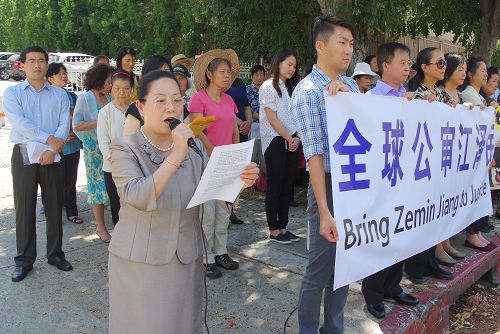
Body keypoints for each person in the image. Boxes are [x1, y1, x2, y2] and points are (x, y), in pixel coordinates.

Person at [107, 70, 260, 333]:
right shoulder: (125, 147)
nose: (171, 107)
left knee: (182, 325)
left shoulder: (193, 152)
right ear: (141, 107)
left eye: (177, 100)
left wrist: (239, 182)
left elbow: (210, 196)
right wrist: (177, 154)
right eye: (161, 100)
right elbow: (136, 196)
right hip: (141, 261)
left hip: (185, 259)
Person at [290, 15, 360, 333]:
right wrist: (323, 210)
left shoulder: (353, 86)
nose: (348, 50)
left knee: (344, 267)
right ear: (321, 45)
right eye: (341, 43)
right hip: (328, 188)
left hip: (353, 184)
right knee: (318, 272)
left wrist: (347, 98)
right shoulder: (308, 92)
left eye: (351, 44)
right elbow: (314, 155)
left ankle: (333, 328)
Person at [3, 46, 72, 282]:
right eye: (31, 61)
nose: (37, 65)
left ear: (46, 63)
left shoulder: (60, 94)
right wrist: (48, 140)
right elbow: (19, 123)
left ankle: (55, 254)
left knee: (54, 205)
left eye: (41, 61)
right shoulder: (13, 93)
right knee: (24, 208)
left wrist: (53, 148)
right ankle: (24, 260)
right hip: (24, 154)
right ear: (22, 65)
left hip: (52, 156)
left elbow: (64, 124)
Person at [361, 42, 419, 319]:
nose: (408, 67)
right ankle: (372, 293)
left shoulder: (408, 96)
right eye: (403, 62)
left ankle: (393, 285)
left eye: (409, 63)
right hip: (382, 180)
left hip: (405, 179)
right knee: (381, 235)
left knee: (401, 233)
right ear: (385, 66)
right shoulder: (371, 98)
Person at [188, 49, 241, 279]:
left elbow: (234, 129)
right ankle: (206, 256)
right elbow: (196, 129)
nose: (227, 76)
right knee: (207, 211)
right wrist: (213, 151)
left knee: (224, 208)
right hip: (207, 157)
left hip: (228, 157)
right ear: (209, 74)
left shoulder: (229, 100)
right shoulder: (198, 98)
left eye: (229, 72)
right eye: (222, 71)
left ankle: (221, 251)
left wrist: (237, 152)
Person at [405, 47, 454, 283]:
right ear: (424, 67)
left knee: (435, 215)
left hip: (440, 164)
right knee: (422, 215)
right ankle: (416, 267)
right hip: (422, 164)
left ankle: (430, 262)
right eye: (440, 63)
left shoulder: (442, 94)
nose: (443, 67)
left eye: (444, 63)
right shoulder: (415, 93)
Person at [259, 49, 301, 244]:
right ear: (278, 63)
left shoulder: (288, 87)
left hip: (291, 139)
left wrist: (297, 137)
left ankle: (283, 227)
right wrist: (288, 137)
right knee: (275, 185)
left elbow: (294, 117)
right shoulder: (269, 86)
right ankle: (274, 229)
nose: (292, 68)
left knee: (287, 185)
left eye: (294, 66)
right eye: (289, 64)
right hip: (275, 140)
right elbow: (272, 118)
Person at [433, 53, 469, 266]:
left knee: (449, 199)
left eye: (465, 70)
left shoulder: (461, 96)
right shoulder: (438, 94)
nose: (464, 73)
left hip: (454, 155)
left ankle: (445, 240)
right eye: (460, 69)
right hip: (440, 154)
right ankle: (437, 245)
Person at [460, 57, 497, 250]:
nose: (485, 74)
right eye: (482, 70)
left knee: (480, 194)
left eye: (485, 70)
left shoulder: (478, 95)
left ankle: (477, 232)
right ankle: (472, 234)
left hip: (481, 154)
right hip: (473, 155)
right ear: (471, 74)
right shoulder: (468, 94)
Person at [73, 64, 113, 243]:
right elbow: (77, 125)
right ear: (99, 79)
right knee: (97, 188)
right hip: (94, 151)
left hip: (111, 148)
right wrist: (98, 121)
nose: (110, 84)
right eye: (108, 81)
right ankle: (101, 227)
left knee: (112, 186)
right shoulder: (85, 99)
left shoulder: (110, 97)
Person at [46, 63, 83, 225]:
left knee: (70, 181)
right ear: (49, 79)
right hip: (54, 146)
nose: (63, 76)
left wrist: (74, 132)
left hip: (72, 145)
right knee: (53, 182)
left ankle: (72, 212)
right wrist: (59, 136)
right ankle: (52, 211)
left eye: (64, 73)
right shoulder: (47, 97)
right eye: (59, 74)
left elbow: (78, 117)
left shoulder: (71, 96)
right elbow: (46, 122)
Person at [97, 71, 133, 226]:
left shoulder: (138, 110)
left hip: (135, 166)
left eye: (125, 88)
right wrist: (116, 161)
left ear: (132, 90)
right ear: (111, 89)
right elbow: (103, 143)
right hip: (113, 167)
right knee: (116, 205)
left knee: (134, 204)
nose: (121, 92)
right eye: (117, 88)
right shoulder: (105, 112)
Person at [226, 76, 252, 224]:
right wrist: (241, 123)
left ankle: (232, 209)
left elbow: (247, 105)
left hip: (243, 132)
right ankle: (225, 210)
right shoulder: (222, 86)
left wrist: (248, 123)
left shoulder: (240, 83)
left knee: (238, 172)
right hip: (230, 132)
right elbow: (226, 109)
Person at [122, 55, 170, 136]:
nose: (163, 76)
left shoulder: (178, 104)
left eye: (166, 71)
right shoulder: (137, 109)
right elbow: (128, 144)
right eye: (157, 72)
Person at [246, 64, 267, 172]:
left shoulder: (267, 89)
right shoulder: (247, 90)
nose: (259, 77)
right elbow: (247, 108)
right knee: (252, 154)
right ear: (252, 76)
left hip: (267, 126)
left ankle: (263, 178)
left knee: (264, 153)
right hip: (253, 126)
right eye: (256, 74)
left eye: (261, 74)